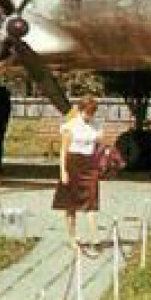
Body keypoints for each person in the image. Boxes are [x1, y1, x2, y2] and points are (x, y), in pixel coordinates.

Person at [55, 95, 103, 248]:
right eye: (87, 112)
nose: (90, 116)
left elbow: (99, 145)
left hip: (89, 165)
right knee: (71, 204)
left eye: (92, 113)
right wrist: (63, 171)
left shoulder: (96, 125)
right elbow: (63, 151)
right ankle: (72, 237)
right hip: (73, 164)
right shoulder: (70, 126)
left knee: (91, 202)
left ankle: (95, 238)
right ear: (81, 110)